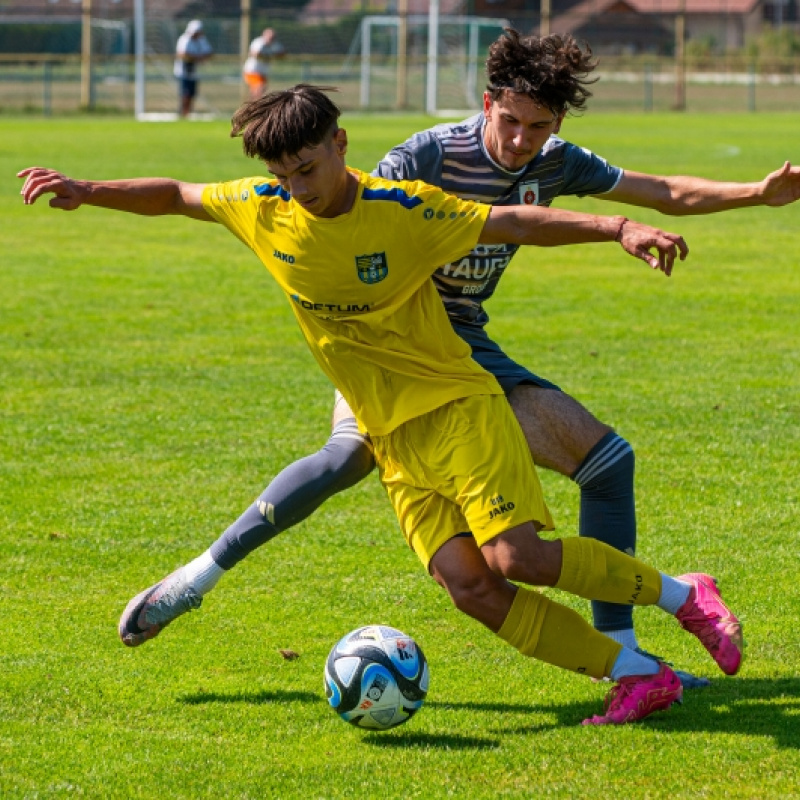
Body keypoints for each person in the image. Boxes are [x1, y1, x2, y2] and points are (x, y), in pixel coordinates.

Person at [20, 85, 744, 727]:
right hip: (390, 436)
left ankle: (684, 595)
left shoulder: (402, 209)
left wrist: (620, 228)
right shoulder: (262, 207)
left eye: (307, 168)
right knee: (470, 588)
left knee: (515, 555)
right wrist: (87, 188)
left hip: (457, 407)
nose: (297, 187)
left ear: (340, 145)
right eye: (282, 174)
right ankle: (640, 679)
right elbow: (176, 194)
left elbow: (514, 223)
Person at [174, 19, 214, 118]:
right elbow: (182, 54)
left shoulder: (201, 40)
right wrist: (197, 57)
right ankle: (183, 112)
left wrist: (199, 57)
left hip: (195, 71)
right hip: (184, 70)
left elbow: (209, 52)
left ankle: (188, 112)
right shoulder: (184, 39)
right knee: (185, 93)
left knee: (192, 93)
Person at [243, 27, 285, 100]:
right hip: (253, 71)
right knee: (260, 88)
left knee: (259, 91)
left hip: (262, 72)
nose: (271, 39)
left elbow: (282, 53)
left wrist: (275, 54)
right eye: (269, 37)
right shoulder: (259, 42)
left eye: (273, 37)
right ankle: (253, 107)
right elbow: (254, 53)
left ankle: (251, 106)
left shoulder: (274, 44)